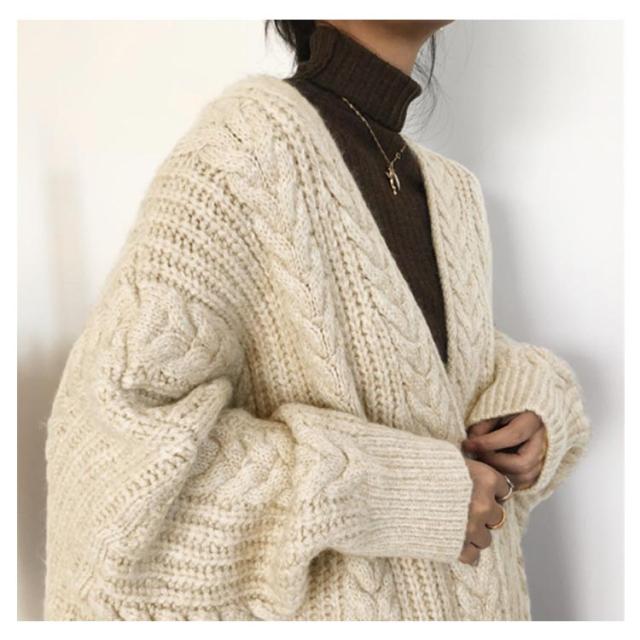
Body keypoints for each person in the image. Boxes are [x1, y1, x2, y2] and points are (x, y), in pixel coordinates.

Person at [43, 19, 591, 621]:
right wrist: (392, 491)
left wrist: (536, 409)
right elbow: (108, 458)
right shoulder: (244, 151)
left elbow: (436, 373)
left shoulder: (453, 192)